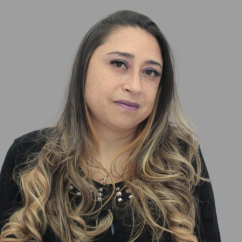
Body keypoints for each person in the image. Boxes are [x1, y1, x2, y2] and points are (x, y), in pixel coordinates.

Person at [0, 10, 221, 242]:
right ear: (84, 66)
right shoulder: (27, 156)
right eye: (119, 63)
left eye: (150, 72)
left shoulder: (182, 160)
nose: (135, 86)